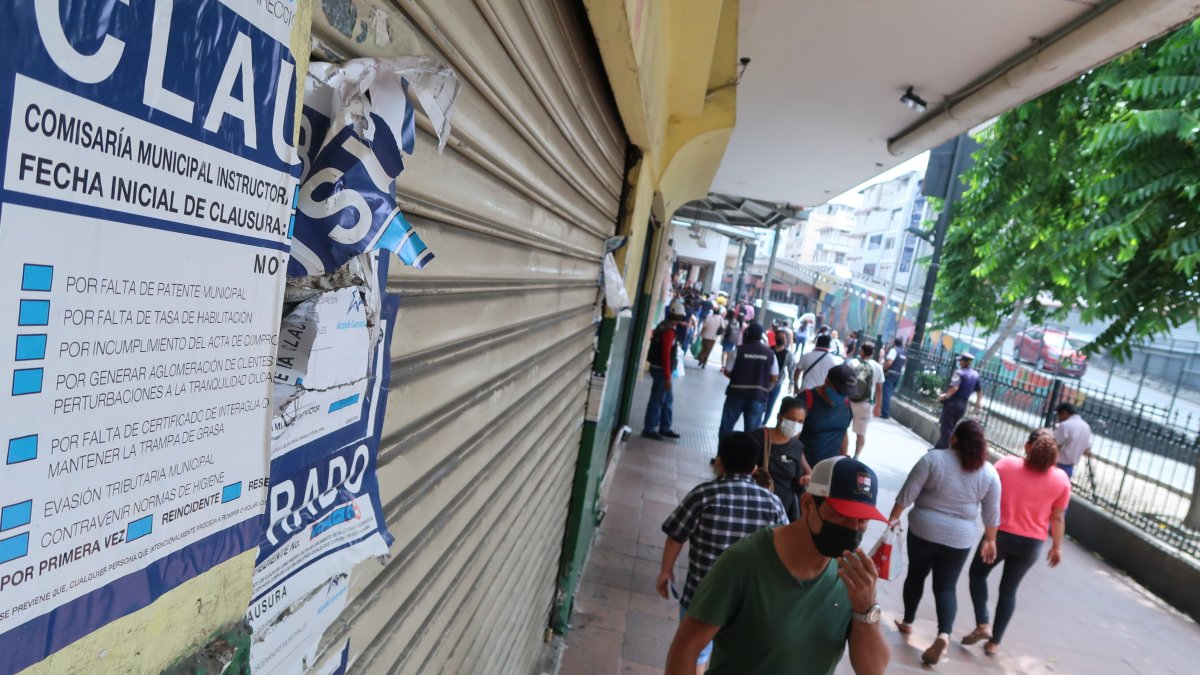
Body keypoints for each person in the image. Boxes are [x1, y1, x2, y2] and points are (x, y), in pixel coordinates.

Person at [663, 456, 891, 675]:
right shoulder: (744, 562)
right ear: (807, 504)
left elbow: (873, 670)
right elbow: (686, 647)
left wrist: (866, 609)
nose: (852, 528)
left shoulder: (852, 578)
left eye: (862, 520)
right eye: (841, 515)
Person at [657, 432, 788, 674]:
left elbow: (676, 534)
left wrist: (666, 571)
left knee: (694, 651)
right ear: (754, 468)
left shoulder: (703, 495)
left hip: (702, 595)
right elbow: (785, 548)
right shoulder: (773, 503)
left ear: (719, 463)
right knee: (737, 657)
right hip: (750, 601)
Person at [888, 420, 1001, 666]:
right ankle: (944, 634)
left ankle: (907, 622)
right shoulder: (989, 473)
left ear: (953, 439)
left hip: (923, 529)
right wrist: (990, 540)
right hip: (959, 538)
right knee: (946, 587)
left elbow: (908, 492)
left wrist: (893, 518)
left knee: (916, 575)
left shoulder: (933, 460)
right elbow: (992, 513)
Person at [962, 428, 1070, 658]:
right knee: (1009, 590)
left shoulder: (1007, 465)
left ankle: (983, 623)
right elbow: (1058, 517)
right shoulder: (1061, 479)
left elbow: (985, 494)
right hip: (1032, 544)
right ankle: (995, 643)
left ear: (1027, 447)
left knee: (978, 575)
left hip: (1000, 536)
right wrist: (1057, 547)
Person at [749, 397, 808, 520]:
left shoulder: (797, 447)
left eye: (800, 421)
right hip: (756, 506)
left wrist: (803, 481)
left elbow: (797, 481)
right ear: (779, 417)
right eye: (791, 419)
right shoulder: (758, 438)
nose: (795, 425)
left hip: (781, 512)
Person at [719, 323, 778, 438]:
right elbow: (774, 377)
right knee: (752, 434)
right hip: (758, 397)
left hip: (736, 394)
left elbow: (727, 371)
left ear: (747, 334)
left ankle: (722, 449)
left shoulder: (739, 350)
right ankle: (748, 451)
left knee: (726, 428)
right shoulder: (770, 354)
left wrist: (740, 378)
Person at [798, 364, 857, 473]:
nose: (843, 395)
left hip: (830, 471)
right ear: (827, 381)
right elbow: (793, 440)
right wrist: (808, 471)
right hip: (803, 471)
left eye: (847, 393)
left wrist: (843, 459)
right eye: (840, 391)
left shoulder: (846, 404)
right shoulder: (805, 400)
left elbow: (843, 432)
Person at [642, 306, 687, 441]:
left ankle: (665, 427)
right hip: (662, 371)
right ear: (679, 317)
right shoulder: (669, 332)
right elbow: (666, 355)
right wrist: (668, 377)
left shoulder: (663, 325)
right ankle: (649, 429)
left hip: (658, 368)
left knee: (667, 400)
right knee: (657, 400)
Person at [935, 352, 983, 449]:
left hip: (952, 403)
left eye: (961, 361)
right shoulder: (975, 375)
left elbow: (955, 388)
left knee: (946, 429)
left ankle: (944, 450)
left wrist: (945, 396)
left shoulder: (959, 373)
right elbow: (979, 391)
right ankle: (938, 447)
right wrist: (978, 402)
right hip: (963, 405)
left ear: (965, 362)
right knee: (950, 427)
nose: (959, 363)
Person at [846, 343, 885, 458]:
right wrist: (878, 406)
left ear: (861, 350)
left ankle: (843, 452)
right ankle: (856, 456)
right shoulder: (877, 367)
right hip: (865, 404)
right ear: (873, 353)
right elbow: (879, 390)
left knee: (842, 428)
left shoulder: (852, 363)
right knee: (861, 433)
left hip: (849, 401)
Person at [764, 327, 797, 421]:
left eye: (783, 337)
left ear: (786, 340)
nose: (781, 339)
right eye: (779, 337)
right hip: (763, 382)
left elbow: (791, 370)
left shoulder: (788, 355)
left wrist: (791, 383)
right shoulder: (768, 350)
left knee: (770, 406)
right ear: (775, 338)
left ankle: (763, 424)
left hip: (776, 384)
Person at [1052, 403, 1092, 479]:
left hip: (1057, 465)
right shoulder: (1086, 427)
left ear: (1064, 413)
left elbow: (1053, 444)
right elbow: (1086, 450)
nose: (1059, 419)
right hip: (1070, 468)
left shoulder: (1065, 425)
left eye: (1059, 415)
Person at [880, 338, 906, 419]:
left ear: (894, 342)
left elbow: (889, 362)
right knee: (889, 393)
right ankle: (885, 411)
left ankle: (885, 413)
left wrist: (883, 369)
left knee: (886, 394)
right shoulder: (904, 352)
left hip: (890, 374)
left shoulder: (894, 350)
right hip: (898, 375)